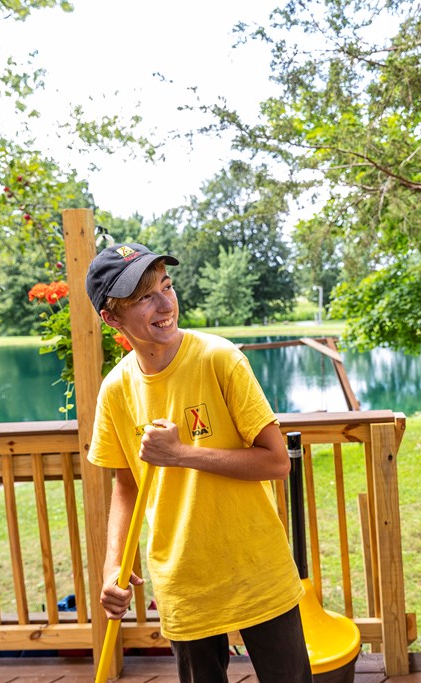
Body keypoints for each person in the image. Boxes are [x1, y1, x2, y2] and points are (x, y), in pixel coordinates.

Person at [84, 242, 312, 682]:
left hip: (255, 566)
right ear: (112, 318)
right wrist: (115, 565)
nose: (164, 302)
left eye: (166, 286)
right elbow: (126, 485)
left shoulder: (219, 358)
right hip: (183, 579)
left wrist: (182, 455)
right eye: (143, 297)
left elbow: (276, 462)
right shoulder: (116, 389)